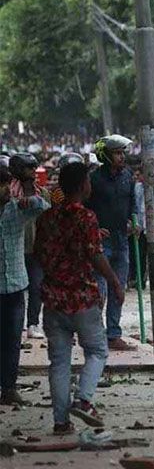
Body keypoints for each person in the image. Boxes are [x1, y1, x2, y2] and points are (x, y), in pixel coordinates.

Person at [33, 162, 118, 432]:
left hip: (53, 298)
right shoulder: (86, 217)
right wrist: (114, 281)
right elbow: (95, 254)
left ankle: (60, 422)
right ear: (83, 186)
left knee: (59, 361)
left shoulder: (46, 218)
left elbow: (38, 255)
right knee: (96, 350)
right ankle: (84, 400)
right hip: (81, 296)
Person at [0, 165, 49, 406]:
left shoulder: (16, 210)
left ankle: (8, 388)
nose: (5, 190)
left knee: (11, 341)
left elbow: (44, 208)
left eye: (6, 184)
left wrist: (29, 192)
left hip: (16, 286)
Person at [85, 135, 137, 352]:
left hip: (122, 239)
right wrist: (94, 229)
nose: (121, 157)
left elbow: (132, 203)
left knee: (119, 288)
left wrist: (134, 222)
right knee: (101, 289)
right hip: (100, 241)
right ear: (105, 155)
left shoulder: (128, 176)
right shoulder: (93, 179)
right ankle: (95, 333)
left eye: (122, 153)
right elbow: (84, 208)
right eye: (117, 153)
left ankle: (113, 334)